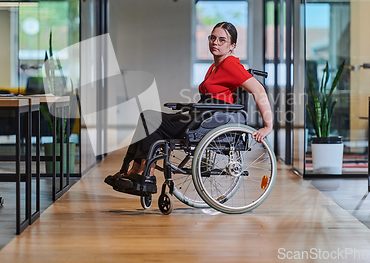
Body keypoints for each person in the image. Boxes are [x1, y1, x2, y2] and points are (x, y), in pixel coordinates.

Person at [105, 21, 273, 191]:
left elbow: (259, 90)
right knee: (147, 116)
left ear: (232, 46)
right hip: (203, 113)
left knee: (150, 118)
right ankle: (139, 171)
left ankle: (143, 173)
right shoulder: (215, 67)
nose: (215, 42)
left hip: (210, 119)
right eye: (213, 38)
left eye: (222, 40)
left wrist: (268, 126)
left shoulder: (230, 64)